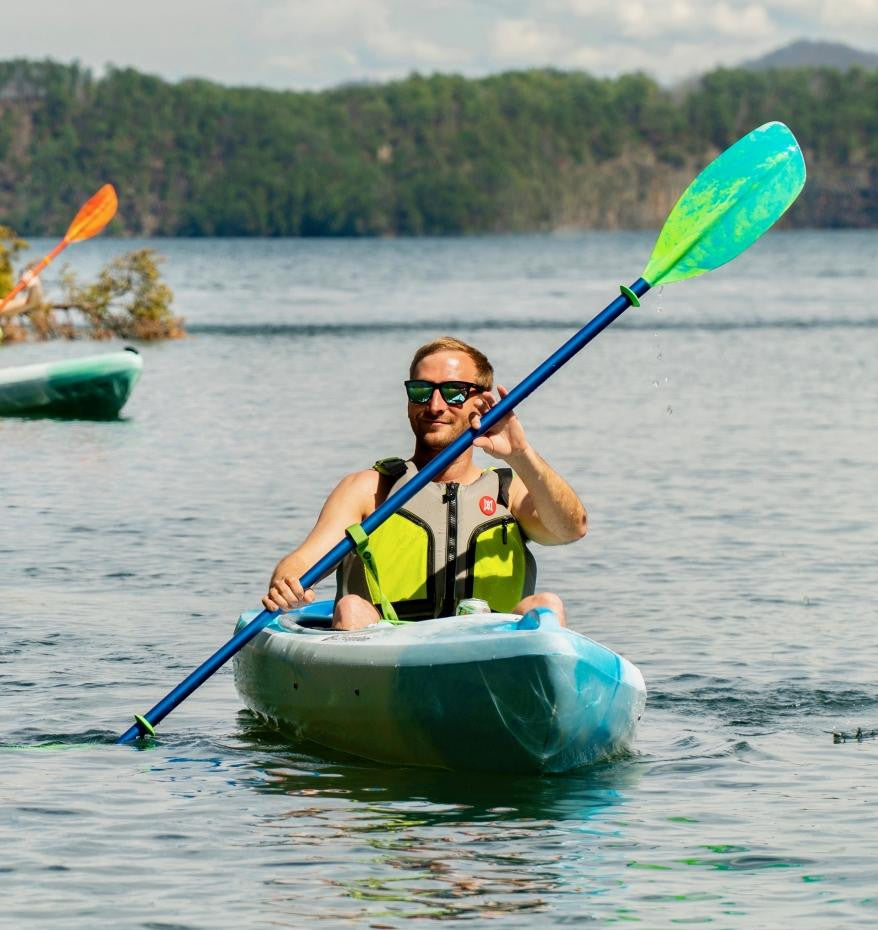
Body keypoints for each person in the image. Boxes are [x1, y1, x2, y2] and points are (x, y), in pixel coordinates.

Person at [263, 336, 587, 630]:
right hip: (383, 655)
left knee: (547, 605)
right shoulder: (370, 489)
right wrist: (287, 580)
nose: (434, 406)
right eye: (421, 390)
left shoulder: (508, 492)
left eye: (453, 392)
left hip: (490, 649)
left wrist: (520, 454)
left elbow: (571, 529)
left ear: (481, 404)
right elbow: (304, 561)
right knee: (351, 608)